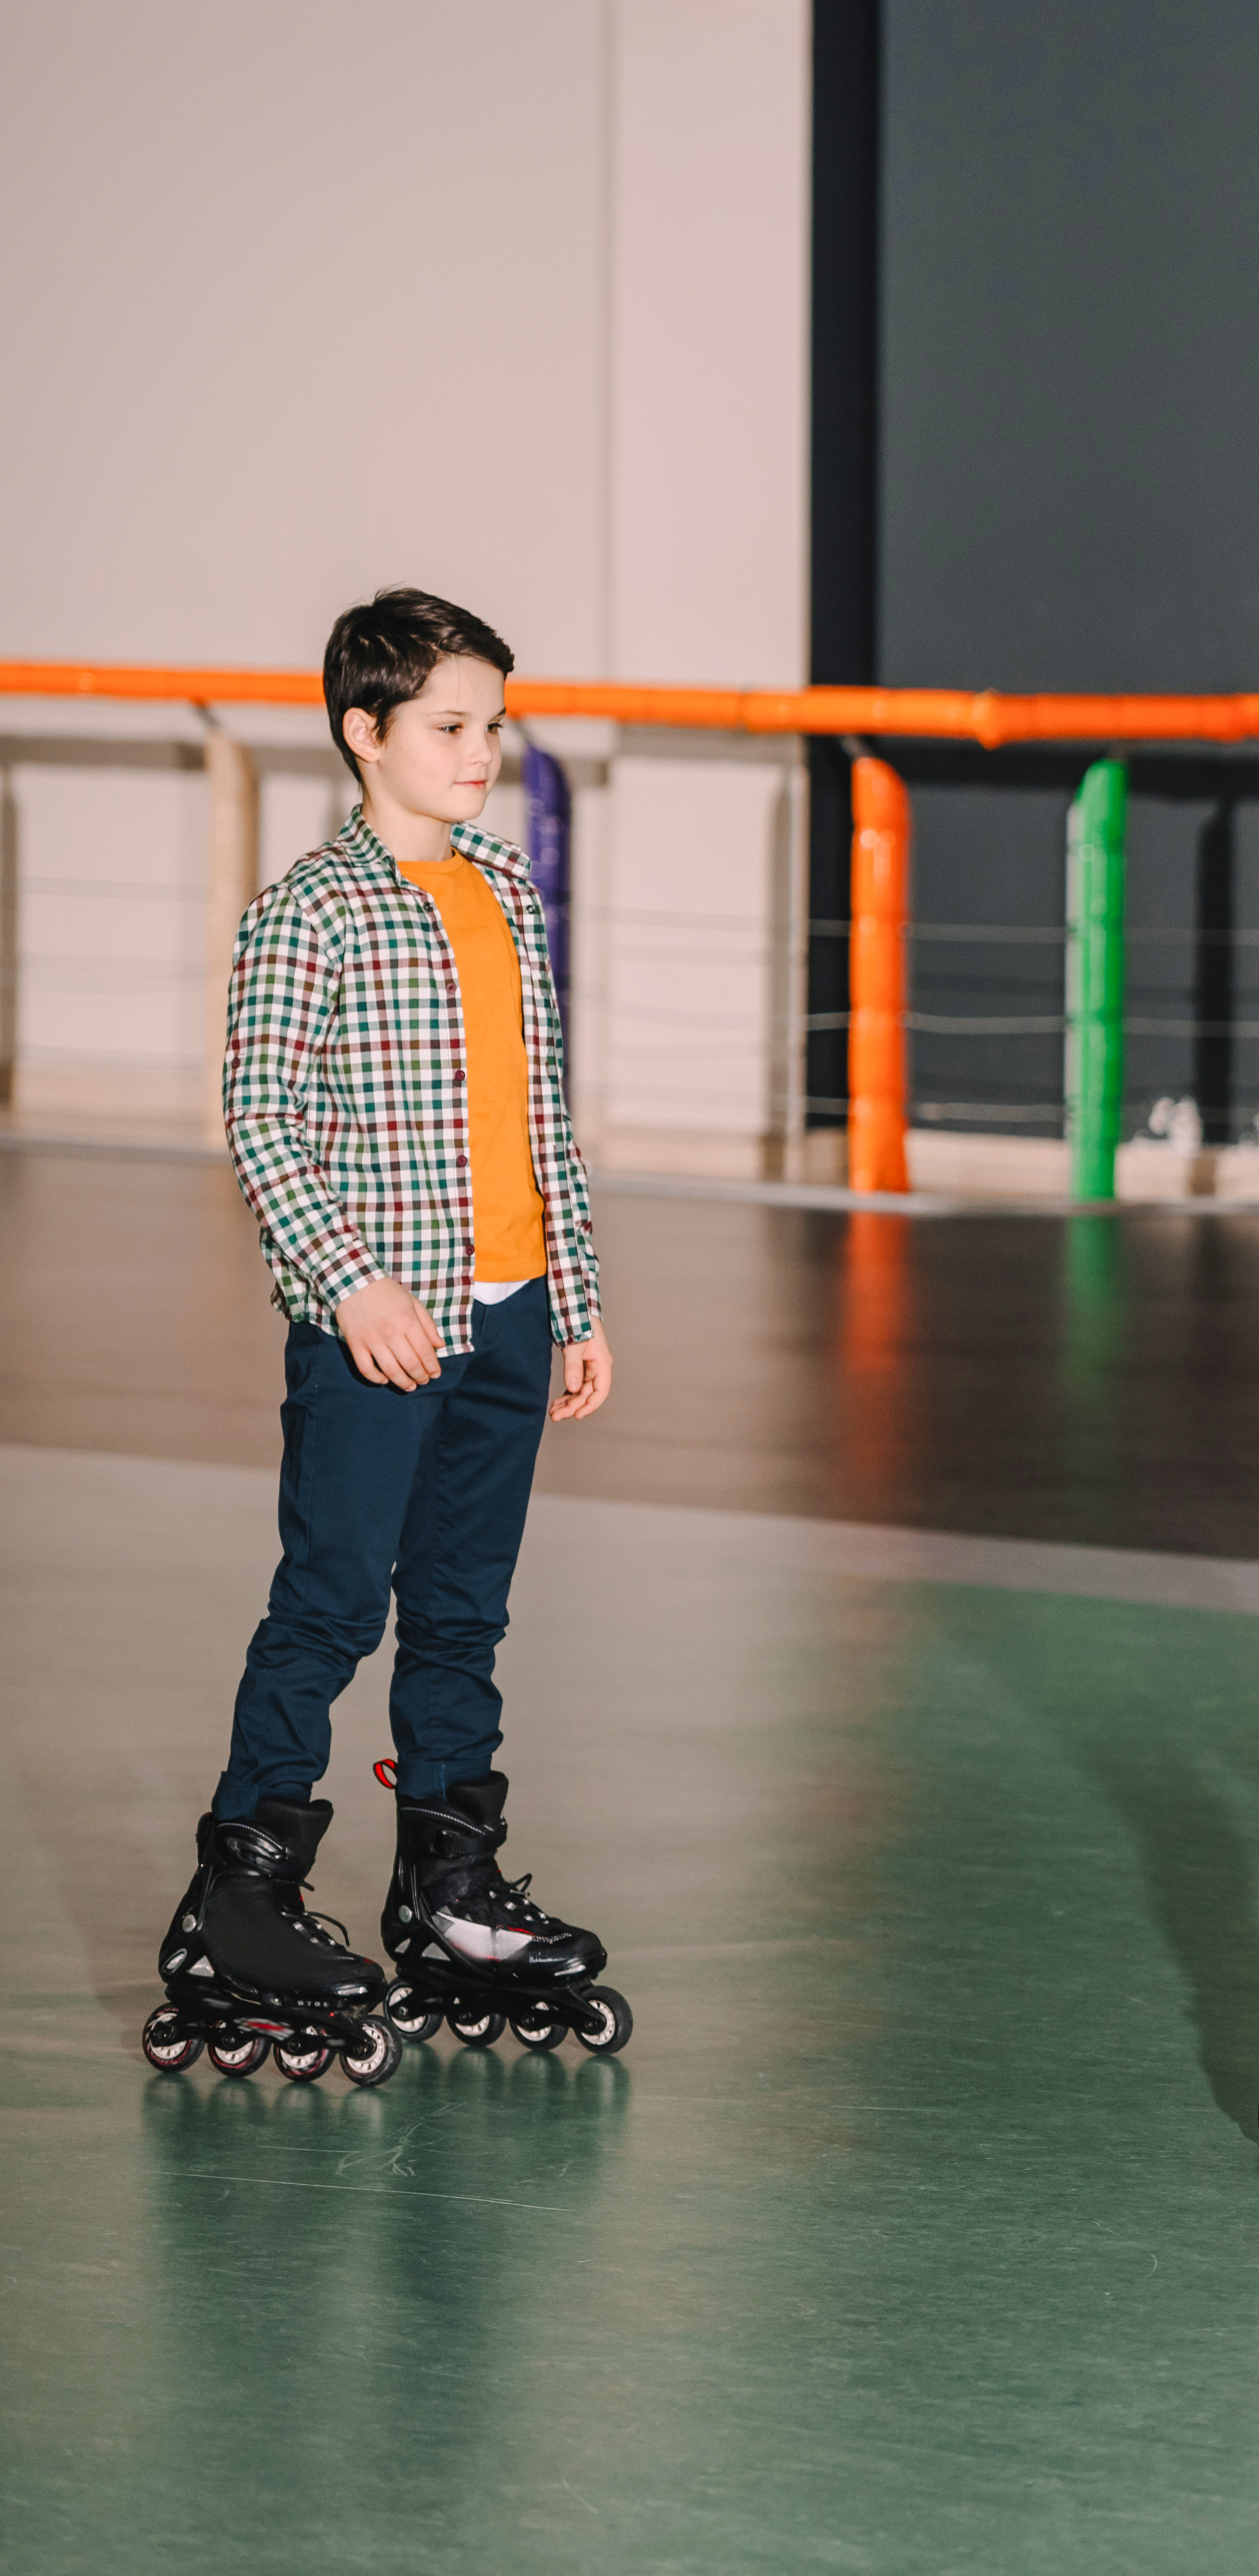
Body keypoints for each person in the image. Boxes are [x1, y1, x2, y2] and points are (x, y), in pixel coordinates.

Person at [146, 589, 623, 2090]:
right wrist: (351, 1283)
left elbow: (541, 1119)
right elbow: (263, 1120)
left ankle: (446, 1890)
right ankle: (241, 1889)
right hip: (378, 1325)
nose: (487, 751)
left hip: (505, 1312)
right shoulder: (309, 907)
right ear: (366, 731)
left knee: (464, 1614)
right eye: (451, 725)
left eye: (494, 723)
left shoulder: (501, 886)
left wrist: (578, 1295)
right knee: (333, 1601)